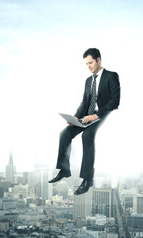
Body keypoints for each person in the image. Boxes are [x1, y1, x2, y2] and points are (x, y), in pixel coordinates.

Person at [49, 48, 120, 195]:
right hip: (86, 116)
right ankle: (64, 169)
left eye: (91, 63)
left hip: (103, 115)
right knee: (64, 133)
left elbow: (115, 101)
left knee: (86, 136)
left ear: (99, 60)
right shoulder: (88, 81)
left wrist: (96, 115)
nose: (89, 66)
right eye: (86, 64)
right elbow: (85, 102)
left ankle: (88, 180)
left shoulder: (111, 76)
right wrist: (75, 117)